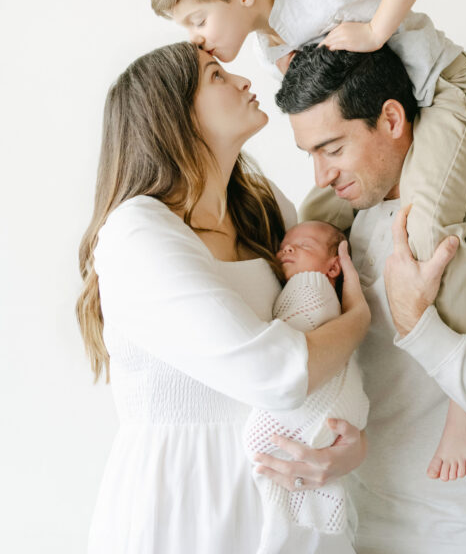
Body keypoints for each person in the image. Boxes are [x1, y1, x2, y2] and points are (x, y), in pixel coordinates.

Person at [151, 0, 466, 478]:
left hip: (446, 93)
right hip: (391, 112)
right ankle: (333, 354)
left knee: (428, 222)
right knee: (314, 218)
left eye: (197, 19)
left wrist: (376, 29)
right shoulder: (271, 45)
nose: (195, 38)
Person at [265, 44, 466, 554]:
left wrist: (421, 326)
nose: (321, 175)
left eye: (334, 149)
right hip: (354, 532)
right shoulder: (351, 219)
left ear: (391, 118)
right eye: (311, 155)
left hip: (460, 538)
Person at [76, 41, 370, 554]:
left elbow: (322, 346)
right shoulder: (136, 233)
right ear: (172, 117)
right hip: (187, 506)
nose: (242, 81)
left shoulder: (265, 207)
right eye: (216, 76)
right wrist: (359, 319)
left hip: (285, 503)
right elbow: (278, 372)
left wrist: (349, 445)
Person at [245, 222, 369, 554]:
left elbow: (296, 348)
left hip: (304, 406)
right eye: (284, 245)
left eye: (304, 246)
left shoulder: (311, 289)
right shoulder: (312, 292)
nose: (287, 249)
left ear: (333, 266)